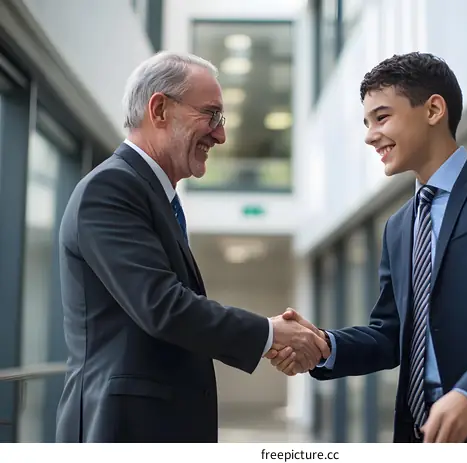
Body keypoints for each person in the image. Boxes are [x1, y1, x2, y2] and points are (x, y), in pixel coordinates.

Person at [266, 52, 467, 443]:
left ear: (434, 110)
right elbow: (391, 334)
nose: (370, 135)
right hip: (417, 434)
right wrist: (323, 346)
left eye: (382, 117)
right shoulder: (399, 226)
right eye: (367, 122)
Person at [55, 51, 329, 443]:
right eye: (212, 115)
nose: (221, 135)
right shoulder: (111, 188)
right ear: (160, 109)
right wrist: (270, 334)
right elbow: (163, 307)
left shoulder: (152, 195)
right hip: (122, 431)